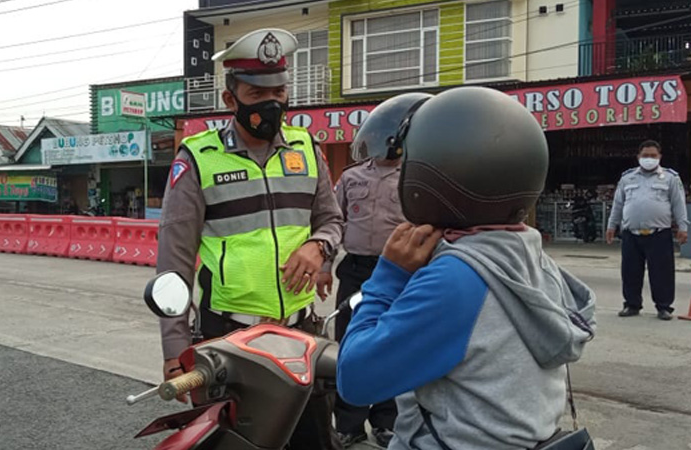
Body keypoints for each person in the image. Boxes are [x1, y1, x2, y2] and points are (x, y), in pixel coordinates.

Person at [337, 87, 597, 449]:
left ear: (434, 179)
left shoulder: (456, 280)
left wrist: (388, 278)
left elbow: (356, 379)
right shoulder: (530, 257)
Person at [154, 28, 344, 449]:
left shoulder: (306, 148)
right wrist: (175, 351)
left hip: (301, 336)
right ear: (230, 100)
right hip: (228, 342)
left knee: (313, 442)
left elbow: (331, 219)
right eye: (257, 95)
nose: (272, 103)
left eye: (278, 90)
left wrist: (319, 246)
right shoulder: (198, 159)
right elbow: (174, 262)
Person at [317, 93, 433, 448]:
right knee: (348, 346)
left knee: (391, 344)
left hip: (398, 271)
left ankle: (386, 420)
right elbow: (335, 221)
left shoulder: (414, 177)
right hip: (354, 270)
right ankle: (349, 423)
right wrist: (325, 266)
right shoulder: (352, 178)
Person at [606, 140, 689, 321]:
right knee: (630, 271)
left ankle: (664, 307)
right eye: (645, 155)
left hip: (659, 233)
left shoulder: (670, 178)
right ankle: (631, 304)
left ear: (659, 157)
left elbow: (678, 204)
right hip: (631, 233)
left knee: (662, 273)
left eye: (653, 156)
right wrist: (612, 226)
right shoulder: (627, 178)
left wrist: (683, 227)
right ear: (638, 157)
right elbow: (618, 204)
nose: (649, 159)